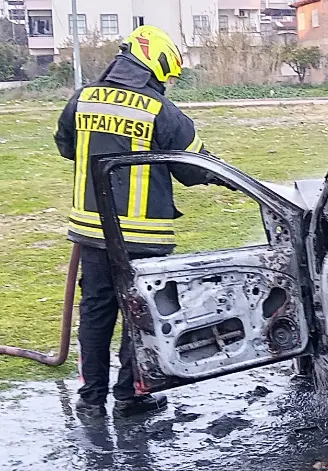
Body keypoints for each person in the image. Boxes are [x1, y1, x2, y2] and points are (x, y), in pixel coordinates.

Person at [54, 25, 230, 420]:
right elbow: (192, 167)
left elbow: (66, 146)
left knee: (96, 314)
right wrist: (227, 175)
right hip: (143, 236)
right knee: (141, 317)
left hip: (92, 232)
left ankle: (91, 399)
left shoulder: (82, 99)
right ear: (155, 68)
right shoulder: (159, 110)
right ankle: (131, 397)